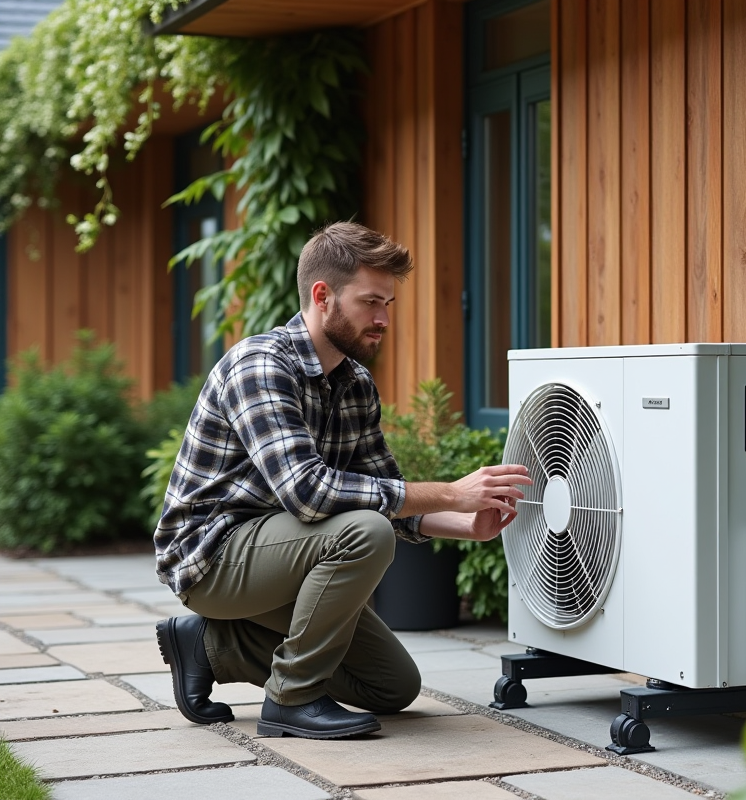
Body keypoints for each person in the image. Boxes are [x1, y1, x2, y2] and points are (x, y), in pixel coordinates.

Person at [153, 222, 531, 740]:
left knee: (391, 686)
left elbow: (387, 489)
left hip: (284, 553)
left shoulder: (354, 383)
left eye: (389, 304)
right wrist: (452, 490)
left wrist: (467, 524)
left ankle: (208, 647)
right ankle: (291, 700)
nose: (382, 318)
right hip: (213, 556)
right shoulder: (259, 365)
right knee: (364, 532)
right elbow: (309, 494)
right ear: (322, 295)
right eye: (370, 302)